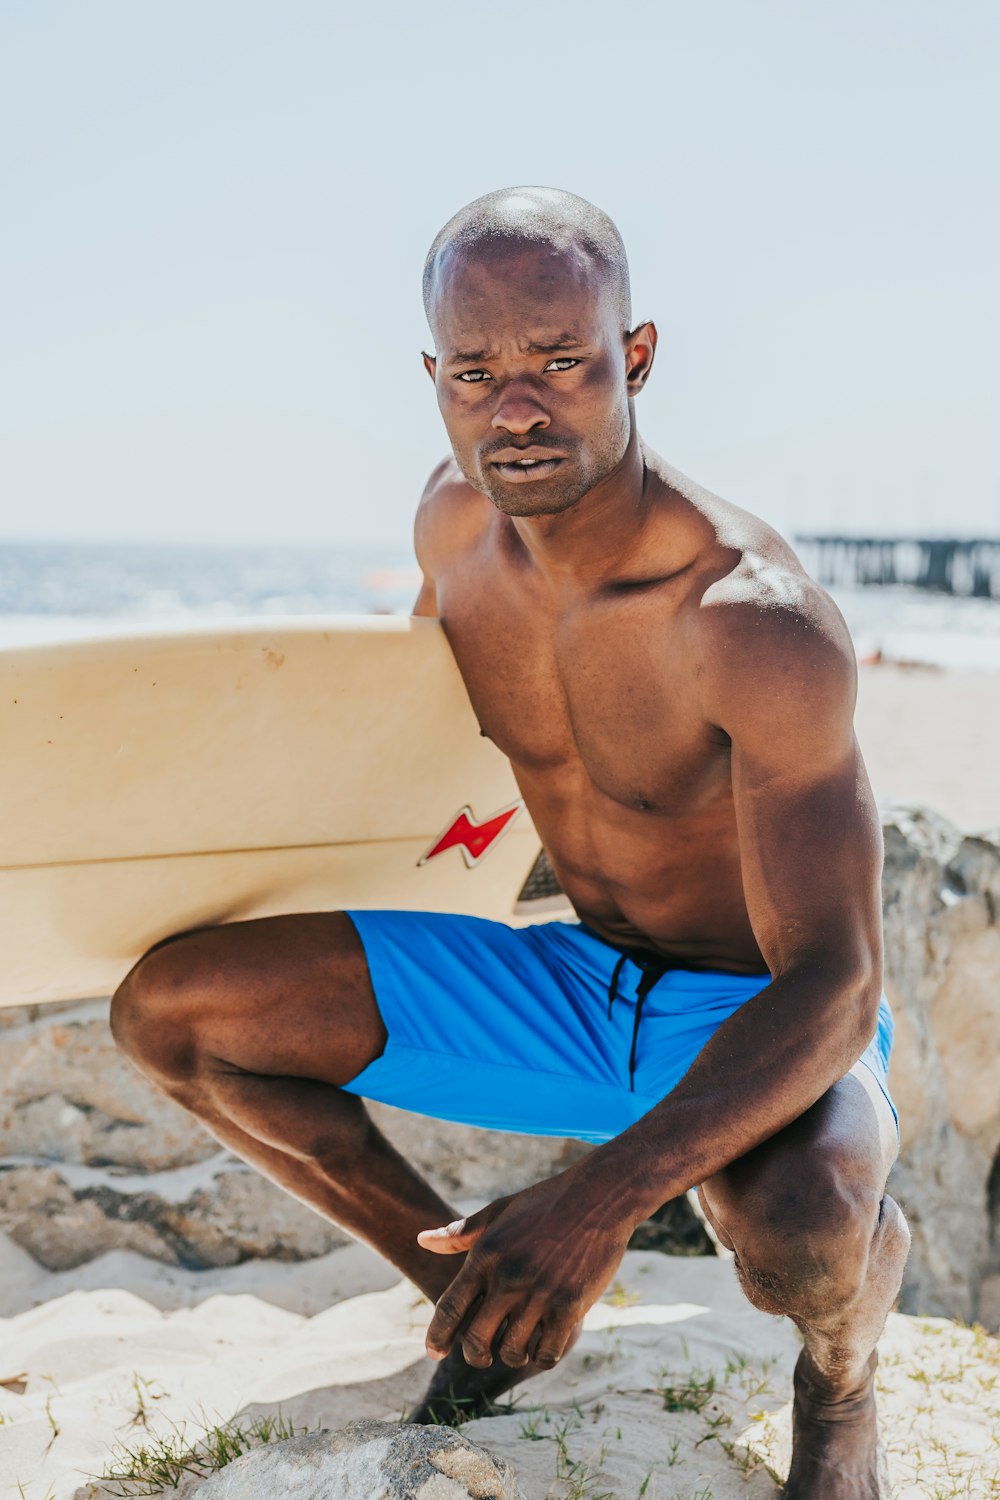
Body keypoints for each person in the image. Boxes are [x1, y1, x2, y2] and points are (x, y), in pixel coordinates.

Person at [111, 186, 908, 1499]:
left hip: (762, 1010)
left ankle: (842, 1381)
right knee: (171, 1015)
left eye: (560, 364)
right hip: (576, 980)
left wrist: (596, 1207)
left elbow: (840, 984)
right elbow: (428, 755)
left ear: (635, 357)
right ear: (434, 375)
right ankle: (477, 1294)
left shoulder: (753, 616)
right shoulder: (450, 529)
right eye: (476, 374)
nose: (517, 410)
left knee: (803, 1235)